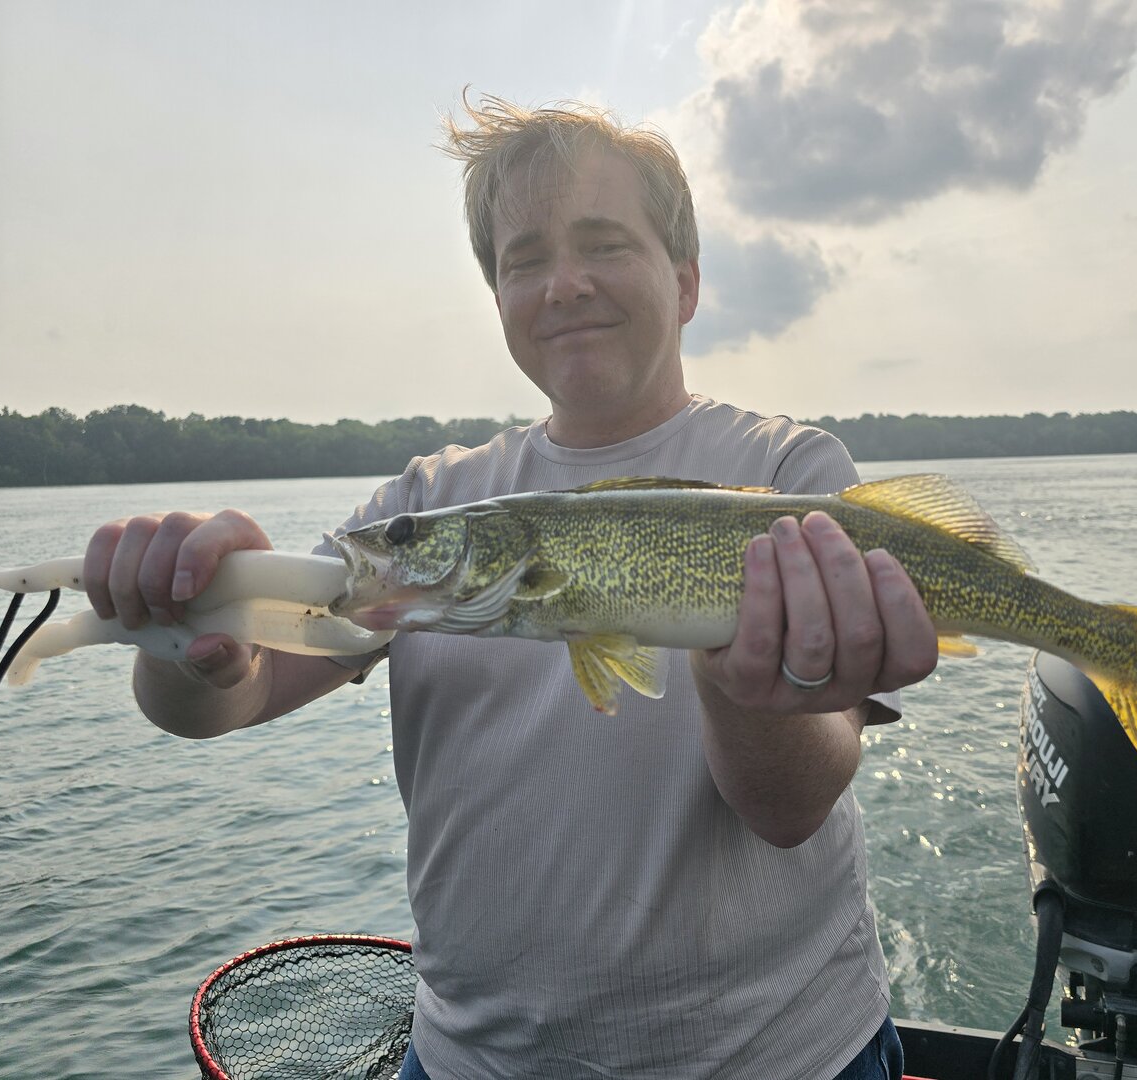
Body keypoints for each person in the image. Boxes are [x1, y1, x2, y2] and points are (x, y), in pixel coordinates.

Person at [82, 96, 940, 1080]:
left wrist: (737, 682)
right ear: (498, 300)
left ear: (686, 281)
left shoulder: (789, 480)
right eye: (524, 260)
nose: (564, 284)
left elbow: (791, 808)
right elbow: (229, 695)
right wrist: (191, 633)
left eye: (604, 243)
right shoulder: (424, 508)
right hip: (468, 1060)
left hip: (782, 1058)